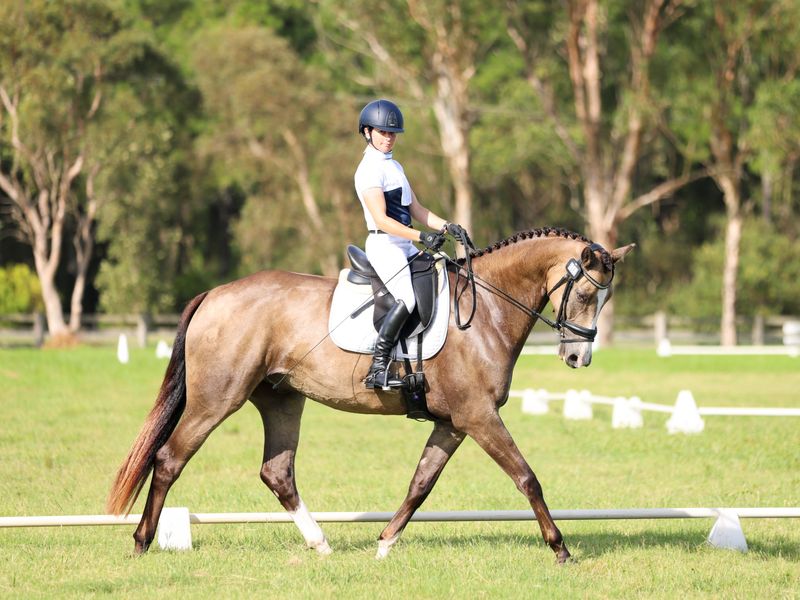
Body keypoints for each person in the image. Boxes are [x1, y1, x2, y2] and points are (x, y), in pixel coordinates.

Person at [354, 98, 451, 390]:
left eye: (392, 133)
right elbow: (382, 220)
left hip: (404, 242)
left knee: (444, 270)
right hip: (385, 246)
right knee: (406, 298)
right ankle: (378, 366)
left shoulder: (394, 166)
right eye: (383, 132)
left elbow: (416, 210)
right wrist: (422, 236)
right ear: (368, 132)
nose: (389, 137)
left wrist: (448, 226)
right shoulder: (369, 170)